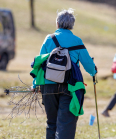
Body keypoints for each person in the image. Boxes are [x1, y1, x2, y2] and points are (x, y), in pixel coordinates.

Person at [32, 8, 97, 139]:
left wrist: (35, 84)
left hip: (48, 84)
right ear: (72, 25)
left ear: (57, 23)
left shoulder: (49, 39)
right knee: (66, 123)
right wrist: (94, 72)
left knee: (51, 123)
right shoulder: (77, 41)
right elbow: (89, 65)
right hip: (69, 86)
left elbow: (40, 61)